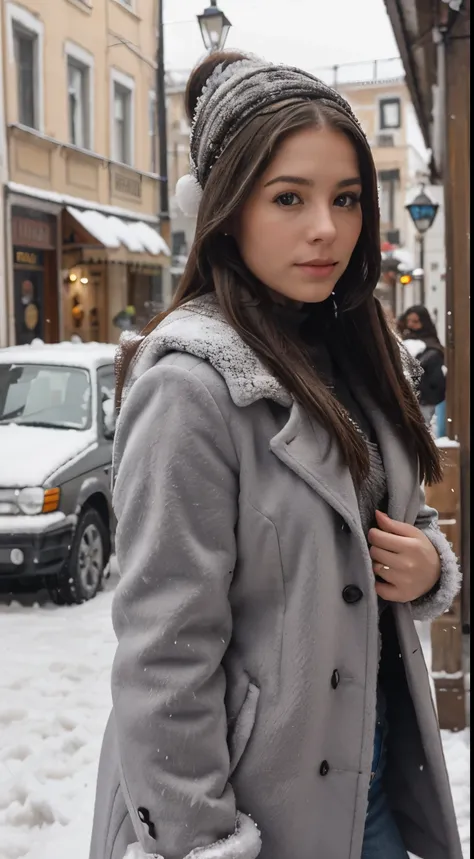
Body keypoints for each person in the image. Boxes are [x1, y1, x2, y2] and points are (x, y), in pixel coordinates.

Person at [89, 52, 462, 859]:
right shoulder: (190, 390)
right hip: (261, 814)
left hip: (376, 783)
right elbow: (164, 658)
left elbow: (398, 520)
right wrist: (206, 842)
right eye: (289, 197)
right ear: (226, 210)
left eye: (347, 198)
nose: (327, 227)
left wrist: (428, 563)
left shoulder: (366, 358)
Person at [397, 305, 446, 430]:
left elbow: (436, 380)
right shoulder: (406, 340)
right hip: (408, 399)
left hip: (424, 400)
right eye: (409, 321)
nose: (411, 325)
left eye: (415, 321)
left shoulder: (430, 346)